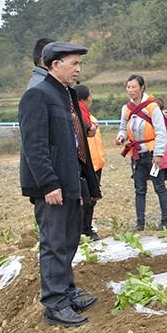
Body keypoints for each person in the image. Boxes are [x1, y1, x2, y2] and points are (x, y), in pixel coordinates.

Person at [19, 42, 101, 326]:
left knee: (67, 239)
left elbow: (71, 138)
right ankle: (54, 304)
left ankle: (66, 291)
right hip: (52, 185)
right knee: (54, 243)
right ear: (55, 65)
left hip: (71, 178)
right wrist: (48, 183)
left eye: (80, 63)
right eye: (73, 63)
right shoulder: (37, 95)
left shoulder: (64, 94)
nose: (78, 69)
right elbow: (35, 144)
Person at [115, 75, 167, 230]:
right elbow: (123, 128)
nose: (130, 90)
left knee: (159, 187)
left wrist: (159, 154)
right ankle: (140, 223)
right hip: (136, 155)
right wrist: (121, 136)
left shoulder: (152, 107)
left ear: (142, 88)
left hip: (152, 153)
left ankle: (165, 221)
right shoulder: (126, 109)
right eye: (128, 87)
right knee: (139, 189)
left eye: (134, 87)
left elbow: (161, 132)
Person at [75, 84, 104, 240]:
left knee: (91, 200)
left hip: (96, 163)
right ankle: (84, 230)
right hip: (89, 164)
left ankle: (86, 228)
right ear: (84, 99)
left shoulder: (88, 117)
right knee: (86, 200)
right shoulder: (81, 118)